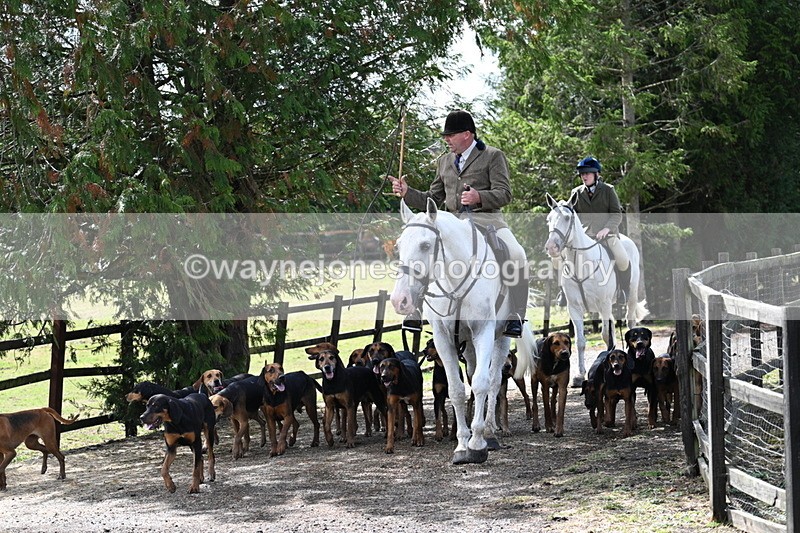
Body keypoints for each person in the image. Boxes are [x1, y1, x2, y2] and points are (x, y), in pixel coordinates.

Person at [389, 109, 529, 338]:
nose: (446, 140)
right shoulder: (444, 161)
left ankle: (515, 314)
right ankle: (415, 311)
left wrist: (479, 197)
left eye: (450, 135)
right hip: (453, 224)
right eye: (446, 136)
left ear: (467, 134)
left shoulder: (493, 156)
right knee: (426, 253)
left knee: (516, 253)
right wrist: (407, 192)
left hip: (488, 221)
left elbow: (504, 194)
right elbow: (432, 199)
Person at [570, 155, 630, 303]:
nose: (584, 177)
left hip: (607, 235)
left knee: (622, 259)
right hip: (585, 236)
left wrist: (607, 229)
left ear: (596, 174)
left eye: (587, 173)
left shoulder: (608, 190)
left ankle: (623, 290)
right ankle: (564, 292)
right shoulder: (576, 193)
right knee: (565, 258)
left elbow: (617, 214)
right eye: (582, 174)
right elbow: (573, 216)